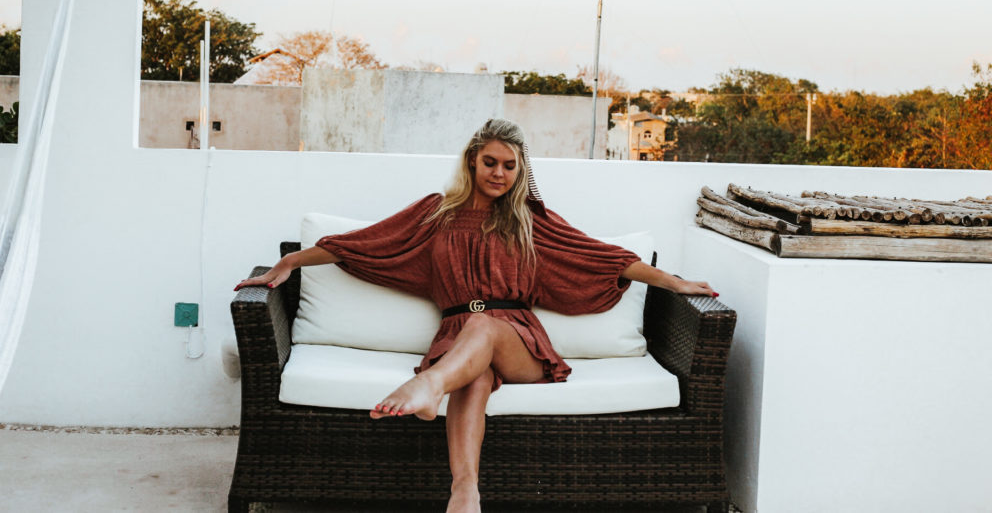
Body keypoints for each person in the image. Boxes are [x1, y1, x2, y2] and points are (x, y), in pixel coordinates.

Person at [235, 118, 716, 513]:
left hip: (519, 342)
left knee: (483, 326)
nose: (500, 173)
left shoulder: (531, 220)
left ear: (521, 169)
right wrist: (292, 261)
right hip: (458, 340)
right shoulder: (436, 213)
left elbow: (602, 257)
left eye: (510, 165)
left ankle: (427, 386)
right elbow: (367, 243)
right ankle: (465, 492)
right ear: (472, 161)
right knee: (475, 378)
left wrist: (674, 282)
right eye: (490, 162)